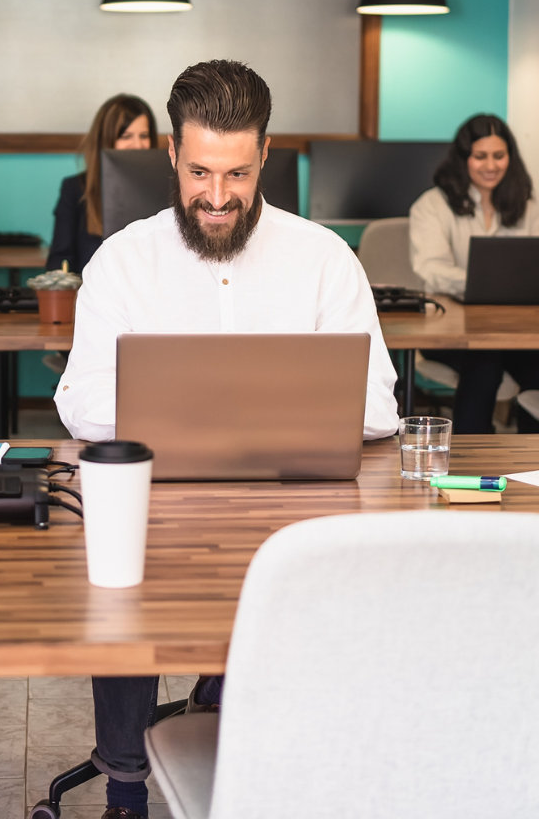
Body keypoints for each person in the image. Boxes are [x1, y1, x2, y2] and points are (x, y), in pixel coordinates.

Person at [54, 60, 398, 819]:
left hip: (290, 513)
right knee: (120, 575)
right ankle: (124, 787)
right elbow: (78, 402)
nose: (216, 196)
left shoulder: (323, 259)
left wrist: (196, 401)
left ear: (266, 154)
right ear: (173, 155)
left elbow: (378, 405)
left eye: (237, 173)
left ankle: (233, 739)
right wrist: (251, 400)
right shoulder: (123, 261)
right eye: (200, 171)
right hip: (157, 508)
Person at [409, 113, 539, 433]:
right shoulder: (432, 205)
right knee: (484, 364)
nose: (491, 165)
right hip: (453, 330)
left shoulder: (528, 205)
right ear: (463, 158)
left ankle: (529, 462)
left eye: (499, 155)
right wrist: (477, 283)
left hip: (514, 331)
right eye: (480, 156)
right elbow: (430, 268)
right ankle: (471, 456)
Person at [46, 93, 158, 275]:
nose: (138, 145)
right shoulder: (75, 189)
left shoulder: (163, 188)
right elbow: (60, 260)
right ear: (105, 140)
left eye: (144, 135)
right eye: (126, 136)